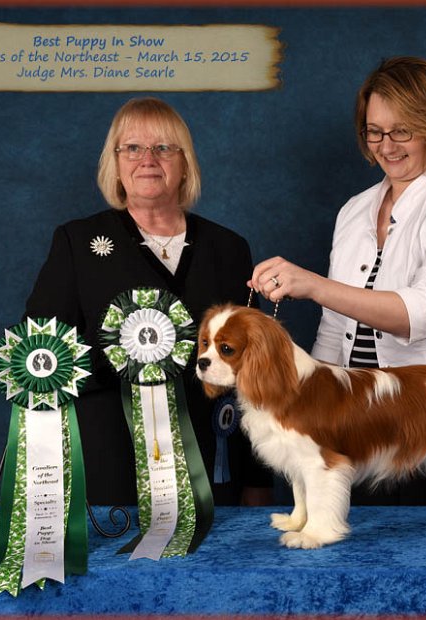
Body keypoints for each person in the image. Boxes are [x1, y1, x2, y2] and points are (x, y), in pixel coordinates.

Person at [250, 57, 426, 505]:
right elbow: (336, 329)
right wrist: (311, 401)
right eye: (374, 131)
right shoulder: (355, 210)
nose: (386, 146)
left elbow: (425, 312)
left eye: (402, 131)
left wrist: (313, 284)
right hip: (366, 416)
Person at [26, 97, 273, 507]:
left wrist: (257, 478)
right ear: (116, 162)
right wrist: (125, 358)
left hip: (210, 465)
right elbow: (40, 361)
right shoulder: (76, 242)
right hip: (107, 467)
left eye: (163, 148)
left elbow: (255, 375)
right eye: (133, 148)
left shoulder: (228, 248)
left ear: (185, 162)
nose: (148, 159)